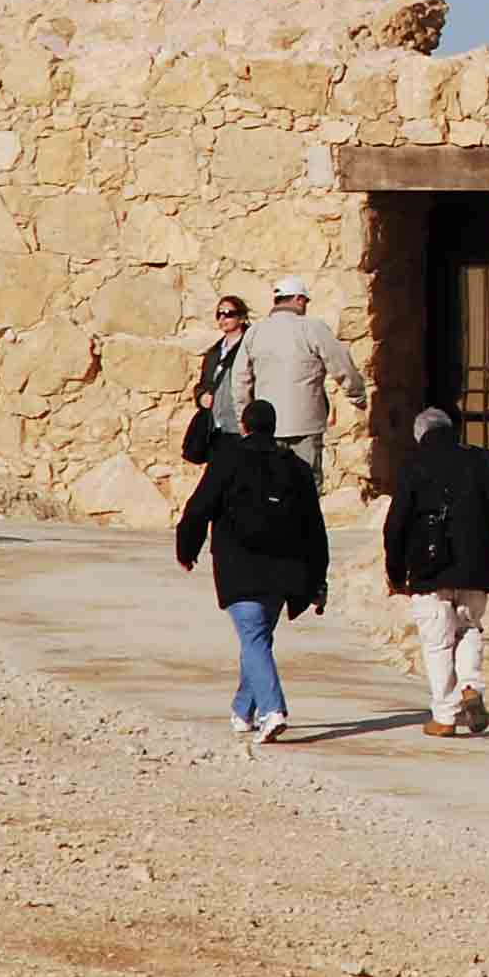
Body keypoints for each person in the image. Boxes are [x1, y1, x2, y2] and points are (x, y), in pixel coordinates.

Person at [175, 400, 330, 745]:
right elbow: (315, 529)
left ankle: (273, 710)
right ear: (273, 428)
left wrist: (186, 550)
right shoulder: (296, 468)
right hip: (284, 571)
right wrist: (317, 577)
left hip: (239, 566)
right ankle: (243, 710)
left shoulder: (227, 461)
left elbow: (198, 508)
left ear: (244, 427)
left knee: (254, 638)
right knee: (257, 638)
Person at [380, 404, 489, 736]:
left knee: (437, 642)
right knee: (468, 628)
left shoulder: (414, 465)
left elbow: (395, 524)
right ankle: (471, 685)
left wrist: (396, 573)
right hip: (476, 566)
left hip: (430, 569)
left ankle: (444, 716)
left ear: (420, 436)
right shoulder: (484, 460)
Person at [246, 276, 369, 480]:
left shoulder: (255, 331)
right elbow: (340, 363)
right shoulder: (312, 327)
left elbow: (241, 379)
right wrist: (357, 395)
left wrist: (245, 416)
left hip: (266, 426)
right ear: (299, 299)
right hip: (305, 422)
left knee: (269, 485)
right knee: (307, 484)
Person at [190, 296, 254, 455]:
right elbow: (203, 383)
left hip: (241, 424)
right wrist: (201, 396)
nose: (223, 318)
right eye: (219, 314)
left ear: (241, 318)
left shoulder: (250, 347)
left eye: (229, 313)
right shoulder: (214, 352)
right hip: (216, 426)